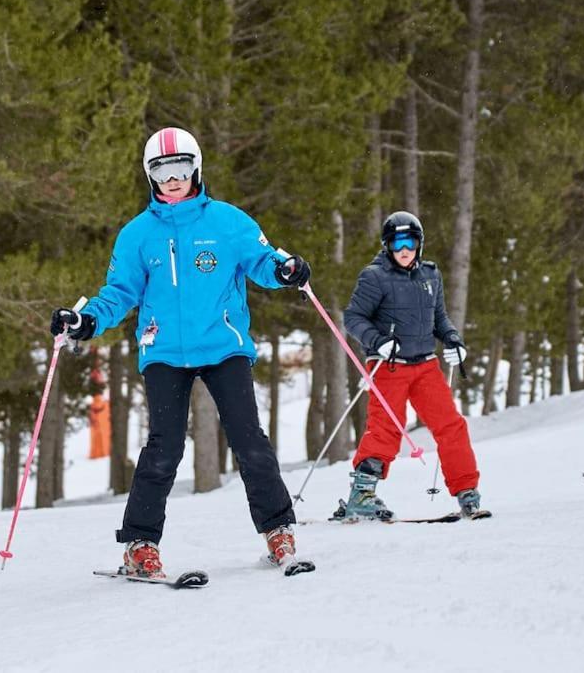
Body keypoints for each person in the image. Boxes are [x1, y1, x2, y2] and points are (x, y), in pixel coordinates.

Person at [50, 127, 315, 576]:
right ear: (150, 176)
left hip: (222, 344)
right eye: (161, 171)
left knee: (249, 439)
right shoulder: (137, 234)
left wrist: (286, 270)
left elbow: (262, 262)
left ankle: (278, 532)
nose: (172, 180)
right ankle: (139, 545)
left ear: (196, 169)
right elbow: (118, 292)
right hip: (165, 351)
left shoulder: (228, 222)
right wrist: (87, 320)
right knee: (164, 447)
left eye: (180, 169)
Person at [336, 211, 481, 520]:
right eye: (398, 242)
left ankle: (467, 491)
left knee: (451, 425)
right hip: (389, 366)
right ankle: (362, 493)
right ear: (387, 245)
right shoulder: (374, 276)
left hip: (426, 365)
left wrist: (453, 340)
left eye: (411, 242)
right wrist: (378, 341)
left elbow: (439, 318)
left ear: (419, 244)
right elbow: (354, 318)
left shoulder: (431, 274)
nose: (404, 249)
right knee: (386, 429)